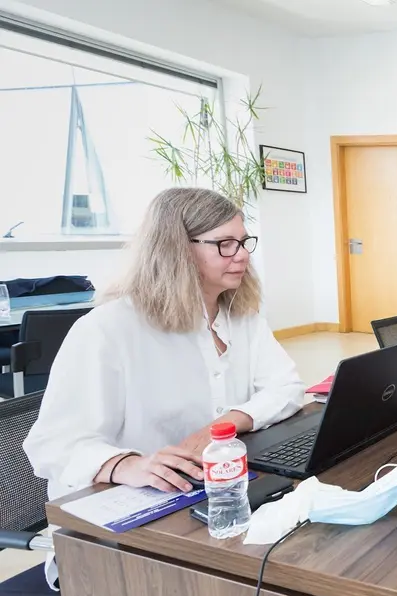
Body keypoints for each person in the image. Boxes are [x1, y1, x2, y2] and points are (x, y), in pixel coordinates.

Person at [25, 187, 305, 507]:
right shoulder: (108, 329)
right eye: (224, 244)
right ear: (177, 250)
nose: (241, 254)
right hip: (124, 513)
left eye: (242, 242)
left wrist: (224, 425)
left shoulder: (241, 316)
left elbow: (286, 387)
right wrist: (127, 464)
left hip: (208, 490)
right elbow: (53, 443)